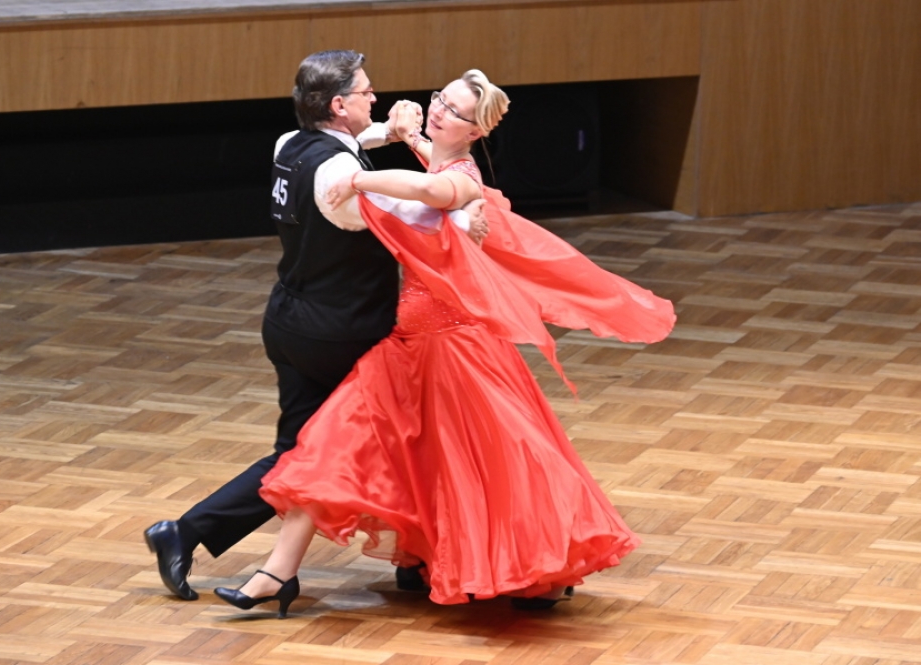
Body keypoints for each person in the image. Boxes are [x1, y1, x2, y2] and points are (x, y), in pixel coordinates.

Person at [211, 69, 677, 617]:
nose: (438, 110)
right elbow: (424, 161)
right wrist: (401, 133)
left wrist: (358, 178)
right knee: (331, 444)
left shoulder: (464, 180)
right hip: (407, 341)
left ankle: (547, 565)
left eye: (453, 110)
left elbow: (429, 190)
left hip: (457, 349)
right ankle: (276, 574)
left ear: (475, 131)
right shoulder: (437, 156)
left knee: (501, 463)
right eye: (439, 99)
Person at [143, 50, 488, 601]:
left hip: (289, 319)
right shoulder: (344, 184)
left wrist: (393, 133)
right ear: (339, 104)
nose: (375, 97)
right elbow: (425, 213)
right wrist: (470, 211)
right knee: (363, 446)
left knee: (296, 451)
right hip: (341, 332)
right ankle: (407, 558)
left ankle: (186, 534)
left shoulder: (289, 145)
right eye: (366, 92)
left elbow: (350, 143)